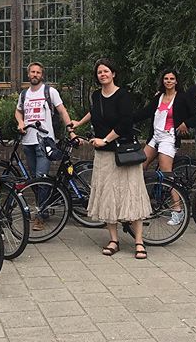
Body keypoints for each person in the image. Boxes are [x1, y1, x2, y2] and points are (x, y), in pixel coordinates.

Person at [69, 58, 152, 259]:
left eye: (106, 71)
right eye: (99, 72)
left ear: (113, 74)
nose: (103, 74)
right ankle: (113, 239)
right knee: (107, 195)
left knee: (131, 194)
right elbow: (94, 111)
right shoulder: (96, 95)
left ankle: (139, 242)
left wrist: (105, 140)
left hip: (123, 151)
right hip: (104, 155)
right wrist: (79, 123)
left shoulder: (123, 95)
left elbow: (125, 122)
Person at [133, 69, 196, 226]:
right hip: (155, 137)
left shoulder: (182, 97)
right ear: (163, 81)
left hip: (169, 137)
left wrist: (185, 124)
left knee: (166, 174)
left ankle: (178, 210)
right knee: (140, 166)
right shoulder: (159, 97)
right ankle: (142, 204)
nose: (168, 81)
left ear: (176, 81)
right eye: (166, 78)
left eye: (172, 78)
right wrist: (125, 119)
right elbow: (145, 113)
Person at [15, 62, 72, 231]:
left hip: (45, 142)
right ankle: (44, 210)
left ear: (42, 75)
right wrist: (20, 122)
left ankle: (39, 216)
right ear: (28, 74)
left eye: (38, 72)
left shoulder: (50, 92)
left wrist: (71, 130)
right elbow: (18, 111)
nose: (35, 74)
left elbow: (62, 110)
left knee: (42, 178)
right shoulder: (24, 94)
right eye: (32, 72)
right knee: (34, 180)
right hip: (28, 142)